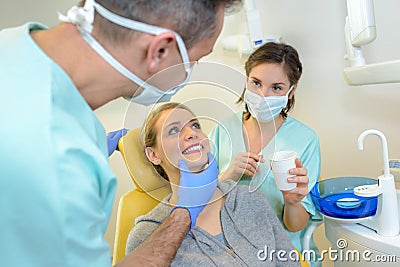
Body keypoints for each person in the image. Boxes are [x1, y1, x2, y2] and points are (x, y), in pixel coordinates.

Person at [0, 0, 243, 266]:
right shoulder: (58, 160)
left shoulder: (13, 43)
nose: (191, 134)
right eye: (196, 60)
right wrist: (184, 213)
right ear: (160, 50)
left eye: (195, 125)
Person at [125, 102, 300, 266]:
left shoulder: (248, 198)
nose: (192, 133)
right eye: (173, 130)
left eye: (195, 126)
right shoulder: (146, 234)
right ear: (153, 155)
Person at [208, 42, 321, 260]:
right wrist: (228, 176)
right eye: (256, 83)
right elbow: (201, 203)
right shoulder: (223, 131)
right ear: (246, 79)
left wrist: (292, 201)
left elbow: (296, 226)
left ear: (291, 91)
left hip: (281, 253)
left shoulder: (305, 140)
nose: (263, 95)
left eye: (276, 87)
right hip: (230, 251)